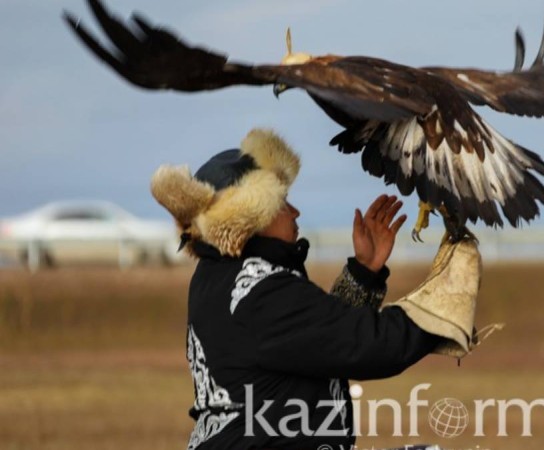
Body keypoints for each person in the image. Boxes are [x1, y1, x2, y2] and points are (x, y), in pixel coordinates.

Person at [150, 128, 480, 450]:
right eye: (282, 202)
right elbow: (366, 345)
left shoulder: (217, 277)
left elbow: (315, 345)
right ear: (250, 219)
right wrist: (444, 307)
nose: (296, 211)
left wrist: (364, 272)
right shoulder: (260, 292)